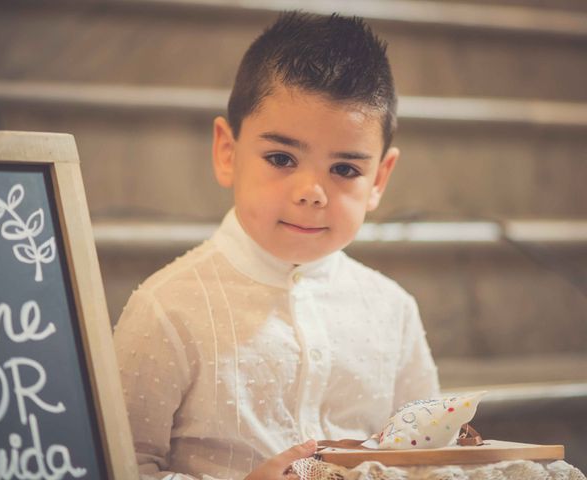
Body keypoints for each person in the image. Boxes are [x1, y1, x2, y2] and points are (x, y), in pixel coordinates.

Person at [113, 11, 439, 480]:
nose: (312, 191)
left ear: (379, 179)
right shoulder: (166, 308)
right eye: (281, 158)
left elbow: (424, 453)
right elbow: (121, 467)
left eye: (345, 169)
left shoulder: (394, 310)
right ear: (228, 152)